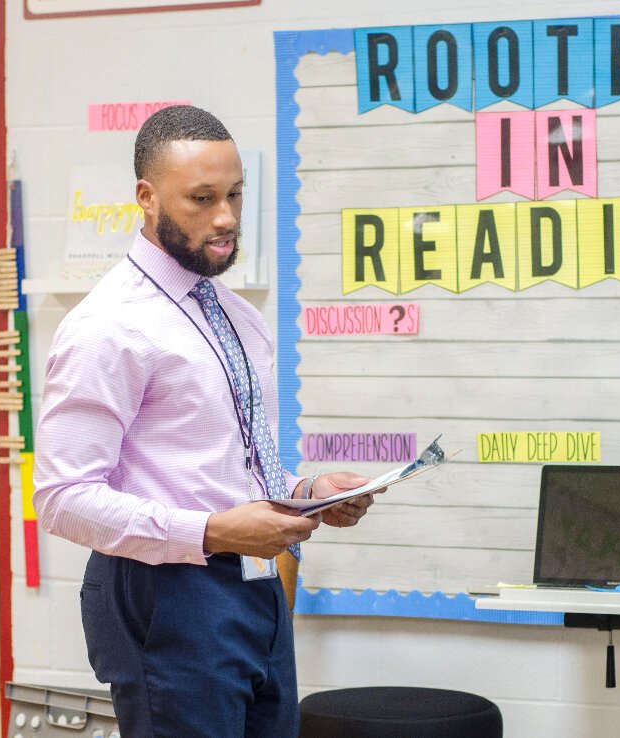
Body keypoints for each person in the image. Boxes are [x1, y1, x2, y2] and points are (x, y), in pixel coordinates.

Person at [33, 104, 377, 738]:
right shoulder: (109, 326)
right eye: (202, 198)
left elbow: (238, 464)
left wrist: (305, 496)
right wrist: (214, 531)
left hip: (254, 588)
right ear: (147, 196)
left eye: (235, 195)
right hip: (163, 597)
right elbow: (62, 499)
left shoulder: (236, 316)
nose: (225, 218)